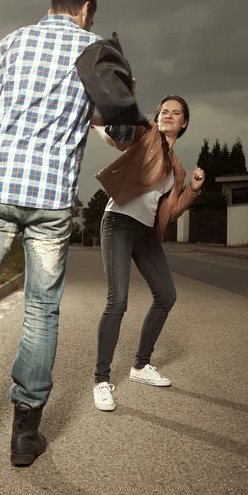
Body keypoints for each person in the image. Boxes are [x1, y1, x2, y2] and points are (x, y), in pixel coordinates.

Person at [0, 0, 149, 472]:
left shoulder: (9, 44)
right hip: (50, 202)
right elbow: (120, 134)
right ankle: (24, 435)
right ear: (86, 9)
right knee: (41, 311)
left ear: (53, 5)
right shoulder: (95, 53)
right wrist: (126, 97)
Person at [92, 95, 205, 411]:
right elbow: (120, 134)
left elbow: (171, 211)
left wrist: (192, 189)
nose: (169, 115)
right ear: (157, 117)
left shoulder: (177, 168)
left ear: (184, 123)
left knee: (166, 295)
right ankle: (101, 381)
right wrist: (115, 104)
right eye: (164, 111)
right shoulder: (146, 135)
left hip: (145, 232)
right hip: (118, 223)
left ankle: (141, 366)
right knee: (118, 301)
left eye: (176, 113)